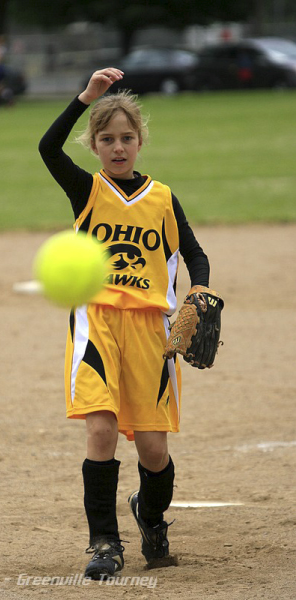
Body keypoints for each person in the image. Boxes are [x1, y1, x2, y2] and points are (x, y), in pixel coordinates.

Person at [38, 68, 211, 579]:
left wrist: (197, 292)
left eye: (127, 138)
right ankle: (104, 544)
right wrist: (84, 98)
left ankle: (150, 518)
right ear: (94, 145)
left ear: (140, 142)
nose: (118, 147)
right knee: (101, 429)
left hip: (150, 331)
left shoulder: (161, 198)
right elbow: (48, 149)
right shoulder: (87, 190)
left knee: (155, 450)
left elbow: (195, 257)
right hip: (97, 321)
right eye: (107, 139)